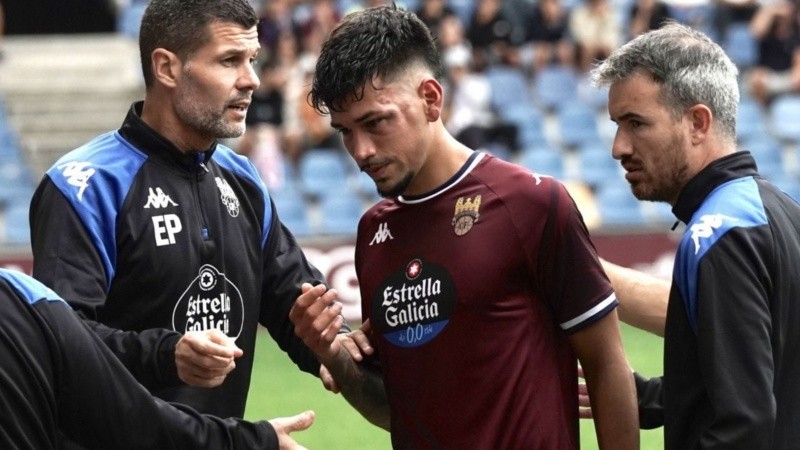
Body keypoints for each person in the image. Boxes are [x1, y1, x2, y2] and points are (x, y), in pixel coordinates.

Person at [289, 4, 640, 449]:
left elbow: (607, 366)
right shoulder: (373, 234)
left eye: (375, 122)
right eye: (345, 132)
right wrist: (333, 356)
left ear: (431, 99)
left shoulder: (530, 203)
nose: (360, 151)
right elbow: (397, 409)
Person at [29, 0, 333, 419]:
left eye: (252, 60)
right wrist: (167, 354)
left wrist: (335, 351)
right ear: (167, 68)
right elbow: (58, 343)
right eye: (230, 61)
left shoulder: (244, 181)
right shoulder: (85, 185)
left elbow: (296, 308)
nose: (252, 80)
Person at [591, 21, 800, 448]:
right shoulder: (779, 211)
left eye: (636, 123)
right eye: (616, 124)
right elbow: (765, 375)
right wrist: (648, 397)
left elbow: (743, 424)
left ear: (698, 122)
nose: (618, 147)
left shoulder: (718, 236)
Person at [0, 268, 314, 449]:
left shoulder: (27, 302)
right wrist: (252, 442)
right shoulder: (26, 300)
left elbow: (130, 418)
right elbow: (130, 419)